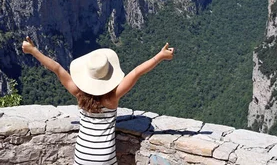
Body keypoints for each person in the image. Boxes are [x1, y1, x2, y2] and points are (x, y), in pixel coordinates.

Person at [22, 37, 175, 165]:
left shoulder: (79, 94)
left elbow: (57, 68)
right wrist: (160, 56)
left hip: (82, 155)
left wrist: (33, 50)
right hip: (104, 157)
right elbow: (137, 72)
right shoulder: (112, 97)